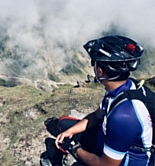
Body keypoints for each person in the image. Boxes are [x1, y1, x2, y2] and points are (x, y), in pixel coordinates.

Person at [43, 35, 153, 166]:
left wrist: (74, 148)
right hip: (107, 140)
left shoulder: (124, 116)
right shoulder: (123, 87)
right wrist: (70, 131)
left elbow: (105, 165)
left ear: (100, 71)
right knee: (63, 125)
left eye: (94, 64)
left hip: (118, 162)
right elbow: (97, 115)